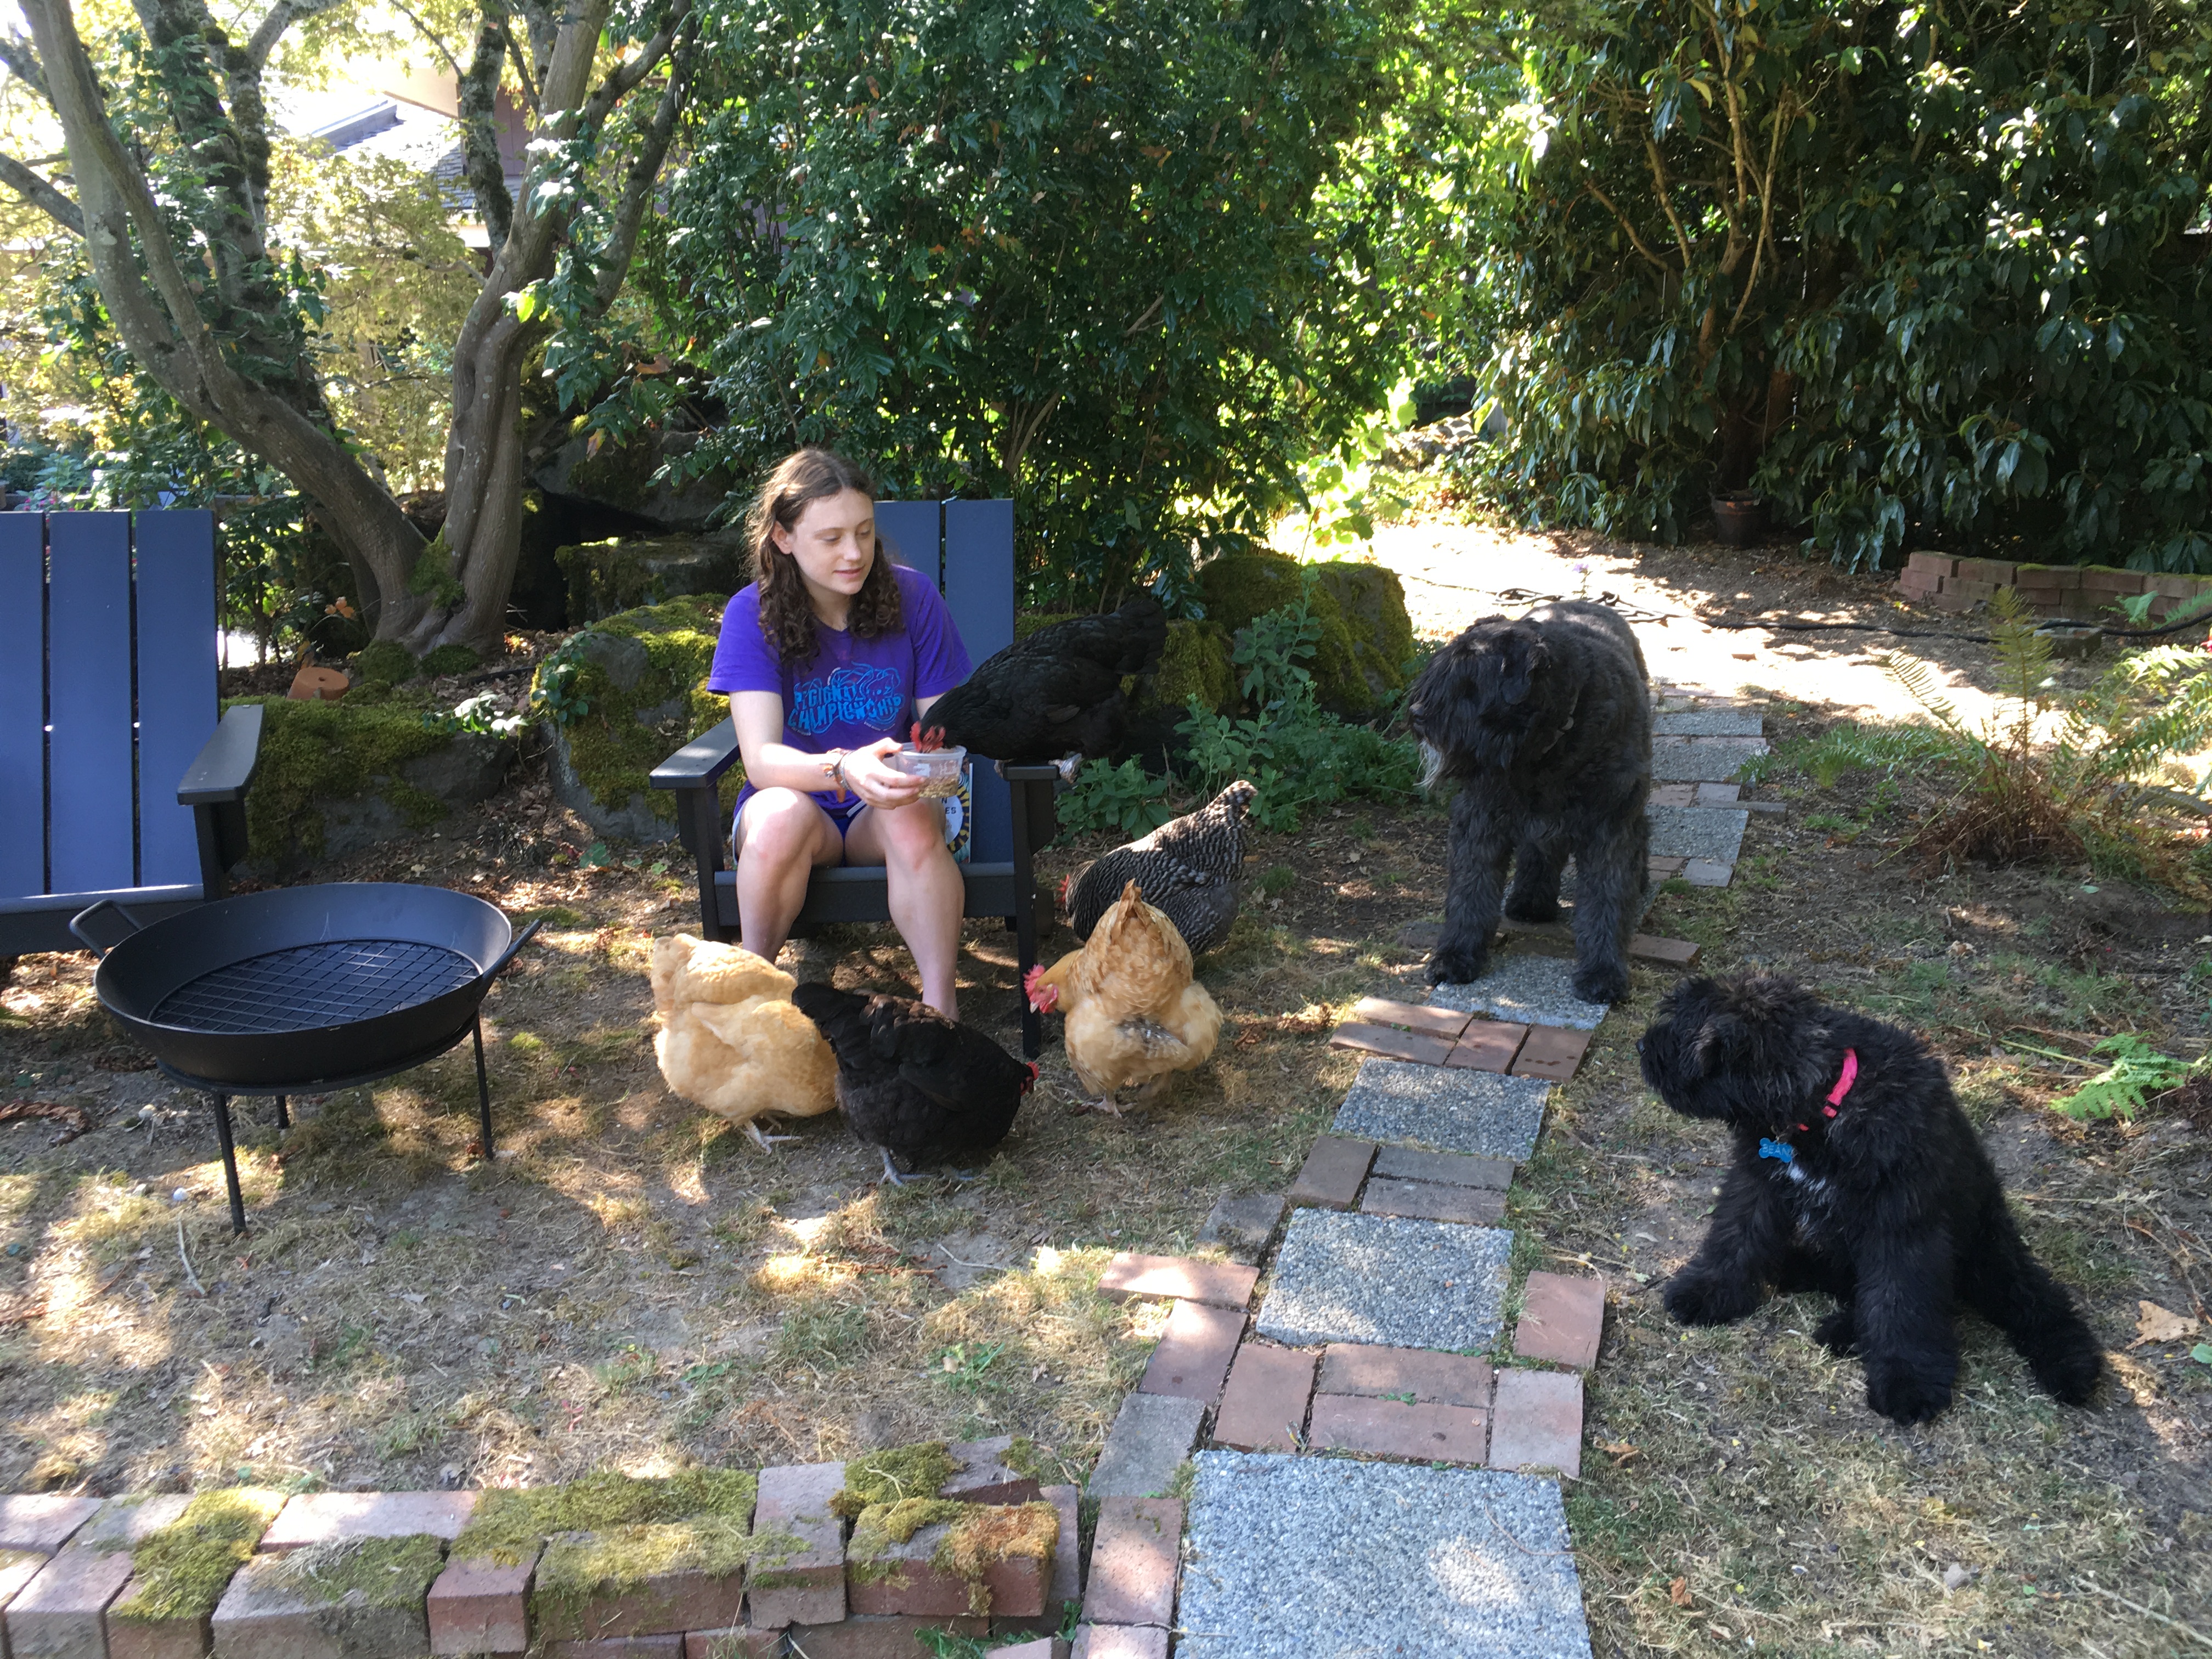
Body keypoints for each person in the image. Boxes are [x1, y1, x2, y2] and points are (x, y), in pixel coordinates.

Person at [706, 448, 974, 1015]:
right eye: (831, 539)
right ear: (783, 538)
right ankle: (754, 1005)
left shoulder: (914, 598)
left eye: (864, 533)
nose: (854, 553)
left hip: (887, 808)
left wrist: (918, 764)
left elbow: (943, 734)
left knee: (910, 813)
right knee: (776, 819)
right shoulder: (752, 615)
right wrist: (846, 768)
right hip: (799, 802)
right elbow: (761, 760)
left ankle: (941, 1018)